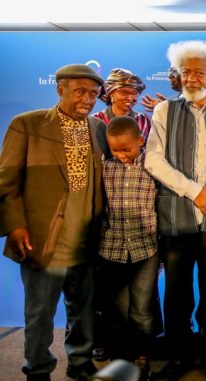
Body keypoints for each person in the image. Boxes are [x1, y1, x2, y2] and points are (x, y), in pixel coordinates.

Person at [0, 63, 108, 381]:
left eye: (93, 93)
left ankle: (80, 360)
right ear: (59, 88)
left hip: (87, 239)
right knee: (40, 312)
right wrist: (15, 225)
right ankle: (37, 367)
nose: (88, 99)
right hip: (42, 237)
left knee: (84, 310)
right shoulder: (27, 125)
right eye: (80, 91)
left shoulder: (98, 129)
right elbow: (6, 182)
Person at [144, 40, 206, 381]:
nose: (191, 77)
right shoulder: (164, 111)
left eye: (199, 72)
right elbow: (152, 159)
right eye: (185, 71)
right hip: (177, 215)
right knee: (177, 293)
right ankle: (179, 355)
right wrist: (194, 191)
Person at [98, 115, 159, 379]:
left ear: (141, 141)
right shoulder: (105, 168)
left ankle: (143, 356)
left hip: (146, 250)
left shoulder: (154, 166)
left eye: (127, 149)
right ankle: (120, 358)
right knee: (117, 310)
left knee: (142, 309)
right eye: (115, 150)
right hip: (111, 250)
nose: (121, 155)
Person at [94, 68, 152, 141]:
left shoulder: (143, 120)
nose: (130, 98)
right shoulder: (97, 120)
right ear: (110, 93)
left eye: (134, 93)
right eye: (124, 92)